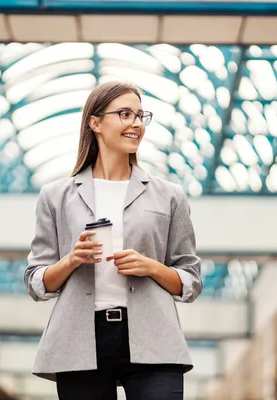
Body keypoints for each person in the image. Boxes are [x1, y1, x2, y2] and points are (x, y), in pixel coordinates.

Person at [24, 81, 202, 400]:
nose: (135, 123)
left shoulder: (170, 196)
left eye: (140, 115)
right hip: (79, 340)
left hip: (154, 337)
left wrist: (151, 267)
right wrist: (72, 259)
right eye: (124, 114)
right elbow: (36, 281)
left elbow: (190, 280)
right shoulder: (55, 196)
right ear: (95, 123)